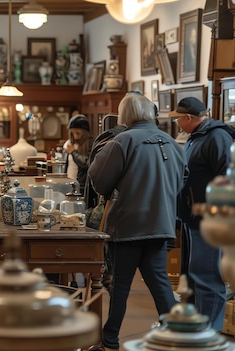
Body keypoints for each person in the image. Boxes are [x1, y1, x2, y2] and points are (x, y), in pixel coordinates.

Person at [88, 93, 188, 351]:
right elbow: (181, 182)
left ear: (126, 114)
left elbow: (100, 181)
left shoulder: (122, 141)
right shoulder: (172, 143)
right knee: (160, 284)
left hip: (128, 225)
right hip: (161, 224)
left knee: (120, 285)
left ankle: (109, 340)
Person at [174, 97, 235, 331]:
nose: (177, 123)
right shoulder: (197, 136)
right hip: (194, 218)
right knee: (195, 276)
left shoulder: (216, 136)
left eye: (178, 118)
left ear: (188, 118)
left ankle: (208, 335)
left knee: (208, 279)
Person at [63, 114, 93, 196]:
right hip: (69, 184)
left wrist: (73, 152)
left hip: (82, 187)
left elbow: (85, 163)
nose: (75, 136)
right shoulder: (70, 144)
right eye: (72, 133)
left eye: (78, 133)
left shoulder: (90, 145)